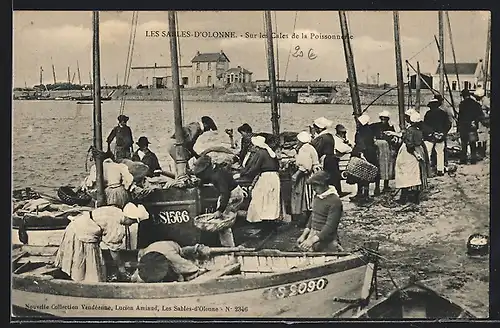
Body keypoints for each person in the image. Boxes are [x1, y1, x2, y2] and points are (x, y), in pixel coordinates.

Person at [54, 203, 149, 282]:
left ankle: (73, 278)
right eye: (132, 223)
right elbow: (114, 251)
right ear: (130, 219)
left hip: (75, 226)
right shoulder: (115, 226)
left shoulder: (116, 210)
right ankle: (82, 283)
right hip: (82, 234)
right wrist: (121, 268)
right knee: (87, 269)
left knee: (82, 263)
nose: (131, 225)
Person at [192, 155, 246, 247]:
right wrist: (200, 183)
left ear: (207, 170)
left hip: (233, 195)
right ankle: (227, 243)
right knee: (227, 218)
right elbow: (207, 178)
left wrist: (220, 210)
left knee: (223, 222)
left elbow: (225, 193)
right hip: (235, 191)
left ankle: (229, 247)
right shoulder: (216, 170)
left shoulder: (218, 176)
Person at [235, 136, 281, 236]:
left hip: (266, 178)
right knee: (270, 202)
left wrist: (242, 174)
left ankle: (265, 227)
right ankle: (271, 226)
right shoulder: (268, 151)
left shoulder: (260, 153)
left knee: (261, 201)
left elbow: (254, 167)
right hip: (273, 178)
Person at [296, 171, 344, 252]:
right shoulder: (317, 196)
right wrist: (304, 235)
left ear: (324, 184)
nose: (313, 188)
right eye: (312, 185)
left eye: (315, 185)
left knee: (327, 256)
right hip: (313, 234)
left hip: (326, 237)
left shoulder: (335, 201)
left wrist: (313, 240)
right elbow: (313, 215)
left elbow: (330, 226)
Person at [130, 241, 211, 283]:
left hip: (150, 251)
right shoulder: (173, 252)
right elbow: (186, 266)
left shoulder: (173, 251)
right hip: (157, 252)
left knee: (139, 277)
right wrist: (198, 270)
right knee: (186, 271)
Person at [395, 111, 428, 205]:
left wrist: (415, 153)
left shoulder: (410, 130)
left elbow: (409, 144)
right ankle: (415, 198)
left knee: (404, 173)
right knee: (416, 174)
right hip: (419, 149)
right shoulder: (419, 129)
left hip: (410, 152)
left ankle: (403, 198)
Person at [291, 131, 321, 227]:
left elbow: (305, 166)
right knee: (311, 197)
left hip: (309, 175)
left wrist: (296, 174)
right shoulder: (309, 147)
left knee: (308, 198)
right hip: (315, 173)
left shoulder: (304, 149)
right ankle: (309, 221)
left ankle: (308, 222)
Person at [311, 117, 345, 197]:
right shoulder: (329, 136)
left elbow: (315, 149)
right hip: (332, 158)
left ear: (319, 128)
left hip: (326, 160)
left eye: (315, 127)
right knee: (333, 178)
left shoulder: (322, 137)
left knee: (327, 178)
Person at [350, 114, 378, 204]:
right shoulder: (370, 130)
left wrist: (361, 153)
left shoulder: (360, 132)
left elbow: (360, 144)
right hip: (370, 153)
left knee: (359, 174)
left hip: (362, 153)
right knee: (367, 174)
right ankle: (365, 194)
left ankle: (360, 193)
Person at [423, 99, 452, 176]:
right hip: (440, 135)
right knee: (440, 153)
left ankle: (427, 171)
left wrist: (430, 133)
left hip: (431, 136)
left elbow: (425, 125)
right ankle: (440, 170)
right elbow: (448, 124)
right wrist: (444, 132)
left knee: (428, 153)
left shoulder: (428, 114)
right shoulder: (443, 113)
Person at [370, 111, 396, 194]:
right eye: (382, 118)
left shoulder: (375, 126)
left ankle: (381, 187)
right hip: (383, 148)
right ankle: (381, 187)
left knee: (383, 167)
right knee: (384, 167)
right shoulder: (389, 127)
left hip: (382, 148)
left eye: (384, 119)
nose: (383, 120)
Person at [458, 89, 484, 164]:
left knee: (464, 144)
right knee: (473, 144)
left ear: (463, 96)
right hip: (472, 126)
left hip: (464, 126)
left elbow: (460, 116)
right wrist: (475, 121)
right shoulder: (476, 104)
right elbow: (480, 115)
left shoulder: (462, 104)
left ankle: (463, 160)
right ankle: (473, 160)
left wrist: (458, 127)